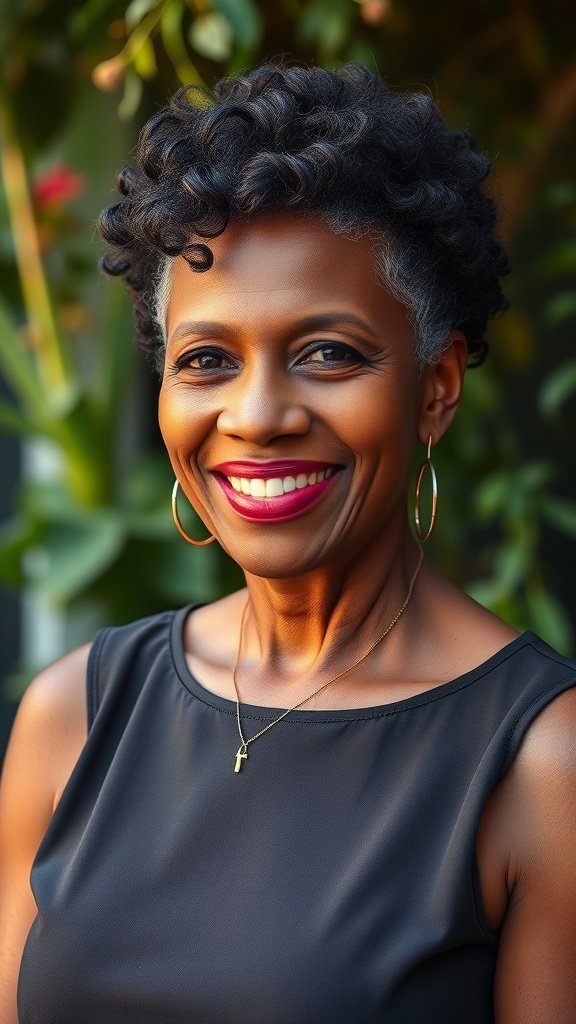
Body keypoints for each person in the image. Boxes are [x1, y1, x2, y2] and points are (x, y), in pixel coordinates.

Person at [1, 62, 575, 1024]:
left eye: (328, 354)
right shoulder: (74, 717)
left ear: (435, 388)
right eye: (206, 361)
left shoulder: (539, 764)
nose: (256, 415)